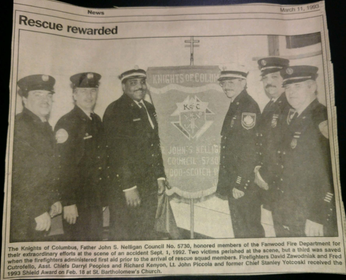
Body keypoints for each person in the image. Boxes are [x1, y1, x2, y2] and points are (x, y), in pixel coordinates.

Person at [272, 65, 337, 237]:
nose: (291, 92)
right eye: (287, 87)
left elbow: (331, 171)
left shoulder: (322, 117)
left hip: (309, 215)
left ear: (312, 87)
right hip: (288, 209)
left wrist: (318, 214)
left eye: (297, 86)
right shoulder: (295, 117)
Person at [103, 67, 166, 240]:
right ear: (123, 87)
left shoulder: (148, 107)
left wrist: (159, 176)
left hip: (148, 183)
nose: (139, 87)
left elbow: (155, 144)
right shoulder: (116, 110)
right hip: (127, 187)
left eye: (142, 82)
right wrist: (128, 186)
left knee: (145, 230)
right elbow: (117, 152)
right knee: (125, 234)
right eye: (133, 83)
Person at [55, 72, 105, 241]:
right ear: (74, 95)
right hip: (76, 202)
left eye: (92, 91)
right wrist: (68, 202)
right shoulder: (66, 122)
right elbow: (62, 166)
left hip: (95, 199)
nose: (88, 96)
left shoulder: (96, 120)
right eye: (83, 91)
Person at [11, 74, 61, 242]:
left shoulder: (45, 127)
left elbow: (48, 170)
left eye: (48, 95)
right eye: (37, 95)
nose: (45, 100)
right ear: (24, 99)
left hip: (38, 211)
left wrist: (53, 198)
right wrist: (38, 209)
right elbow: (20, 175)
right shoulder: (20, 126)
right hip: (24, 213)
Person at [215, 64, 264, 238]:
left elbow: (249, 148)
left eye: (231, 82)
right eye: (223, 83)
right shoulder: (236, 104)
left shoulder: (247, 106)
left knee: (248, 227)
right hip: (235, 179)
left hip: (243, 181)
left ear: (243, 82)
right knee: (241, 227)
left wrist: (240, 182)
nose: (226, 86)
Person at [254, 57, 291, 212]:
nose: (268, 82)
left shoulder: (290, 106)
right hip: (270, 183)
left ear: (285, 79)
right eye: (265, 78)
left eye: (274, 77)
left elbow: (284, 149)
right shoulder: (270, 106)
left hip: (284, 185)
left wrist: (264, 176)